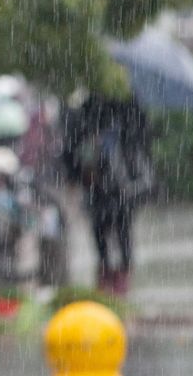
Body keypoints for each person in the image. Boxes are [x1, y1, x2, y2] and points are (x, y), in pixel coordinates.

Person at [62, 91, 153, 295]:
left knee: (115, 237)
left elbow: (71, 152)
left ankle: (114, 287)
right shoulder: (91, 111)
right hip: (105, 188)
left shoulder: (122, 110)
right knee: (111, 238)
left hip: (117, 189)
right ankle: (112, 287)